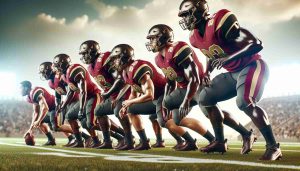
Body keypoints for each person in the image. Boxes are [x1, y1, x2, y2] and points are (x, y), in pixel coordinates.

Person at [178, 0, 282, 160]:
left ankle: (273, 147)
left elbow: (257, 44)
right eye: (182, 16)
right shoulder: (194, 37)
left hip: (252, 66)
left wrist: (229, 58)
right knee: (205, 97)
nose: (184, 19)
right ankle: (220, 141)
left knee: (244, 102)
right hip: (233, 73)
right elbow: (210, 53)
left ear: (199, 11)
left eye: (186, 14)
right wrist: (207, 72)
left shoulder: (220, 21)